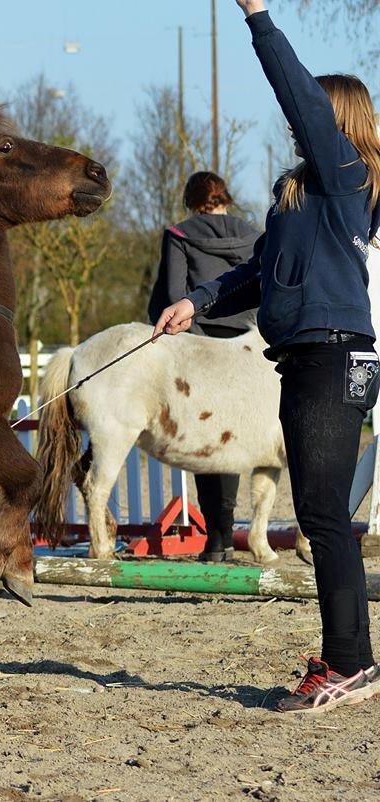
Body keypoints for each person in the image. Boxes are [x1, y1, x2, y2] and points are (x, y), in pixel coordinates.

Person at [155, 0, 380, 713]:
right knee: (319, 514)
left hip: (335, 357)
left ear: (334, 121)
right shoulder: (297, 201)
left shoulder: (345, 177)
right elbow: (257, 271)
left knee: (319, 517)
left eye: (310, 113)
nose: (294, 123)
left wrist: (256, 15)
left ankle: (345, 663)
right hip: (304, 359)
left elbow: (296, 95)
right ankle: (356, 660)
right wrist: (200, 300)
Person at [148, 171, 260, 563]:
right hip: (249, 346)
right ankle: (230, 532)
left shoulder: (180, 234)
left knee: (206, 438)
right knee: (238, 437)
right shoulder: (253, 233)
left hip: (202, 344)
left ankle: (217, 537)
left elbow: (174, 292)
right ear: (225, 197)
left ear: (191, 201)